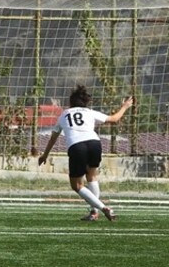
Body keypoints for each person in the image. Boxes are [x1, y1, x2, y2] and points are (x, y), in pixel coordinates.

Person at [37, 85, 133, 222]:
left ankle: (103, 208)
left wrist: (45, 155)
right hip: (95, 143)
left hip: (77, 146)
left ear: (71, 102)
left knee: (76, 185)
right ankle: (94, 213)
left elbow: (53, 137)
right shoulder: (89, 112)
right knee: (92, 176)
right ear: (86, 102)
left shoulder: (64, 114)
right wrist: (125, 106)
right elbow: (114, 119)